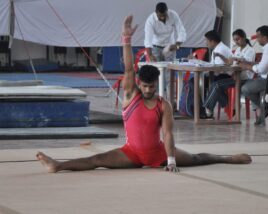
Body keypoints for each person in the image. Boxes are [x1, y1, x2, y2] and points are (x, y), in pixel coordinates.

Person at [36, 15, 252, 174]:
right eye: (146, 86)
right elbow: (129, 69)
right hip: (130, 153)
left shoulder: (163, 104)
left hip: (158, 153)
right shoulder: (132, 95)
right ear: (140, 84)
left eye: (152, 87)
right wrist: (126, 39)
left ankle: (229, 158)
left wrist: (171, 160)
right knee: (97, 159)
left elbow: (167, 134)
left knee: (196, 158)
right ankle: (58, 165)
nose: (149, 90)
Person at [202, 29, 256, 117]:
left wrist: (238, 60)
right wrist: (220, 56)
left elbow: (246, 65)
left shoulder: (250, 50)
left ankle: (207, 109)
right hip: (234, 77)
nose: (236, 42)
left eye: (238, 39)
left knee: (217, 85)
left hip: (243, 79)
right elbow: (229, 62)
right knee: (213, 84)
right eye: (234, 40)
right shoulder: (238, 50)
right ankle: (228, 105)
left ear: (244, 38)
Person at [200, 30, 233, 117]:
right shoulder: (217, 48)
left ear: (213, 41)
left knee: (206, 82)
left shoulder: (221, 49)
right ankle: (227, 104)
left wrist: (205, 70)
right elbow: (213, 65)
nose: (206, 43)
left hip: (226, 76)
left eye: (207, 41)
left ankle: (206, 109)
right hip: (219, 74)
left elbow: (218, 69)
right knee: (199, 81)